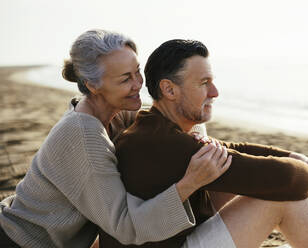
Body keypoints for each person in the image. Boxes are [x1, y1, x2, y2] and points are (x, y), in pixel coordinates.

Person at [99, 39, 308, 248]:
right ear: (169, 90)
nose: (215, 92)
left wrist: (299, 157)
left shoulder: (155, 128)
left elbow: (232, 148)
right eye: (203, 83)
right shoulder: (163, 143)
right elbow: (289, 180)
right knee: (277, 197)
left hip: (173, 240)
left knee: (272, 190)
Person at [0, 30, 232, 248]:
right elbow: (126, 227)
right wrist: (189, 183)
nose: (138, 84)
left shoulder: (115, 111)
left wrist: (197, 137)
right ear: (93, 85)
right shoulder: (82, 134)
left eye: (137, 72)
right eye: (125, 79)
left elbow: (175, 116)